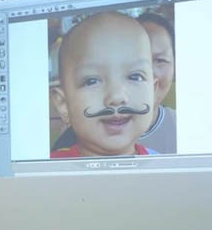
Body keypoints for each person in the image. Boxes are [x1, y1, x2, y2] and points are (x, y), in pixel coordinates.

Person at [50, 12, 156, 158]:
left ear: (153, 92)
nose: (117, 97)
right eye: (92, 81)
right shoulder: (47, 168)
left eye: (135, 77)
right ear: (63, 104)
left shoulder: (167, 167)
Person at [137, 12, 177, 154]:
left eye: (160, 60)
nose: (148, 73)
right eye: (137, 58)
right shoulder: (86, 132)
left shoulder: (189, 129)